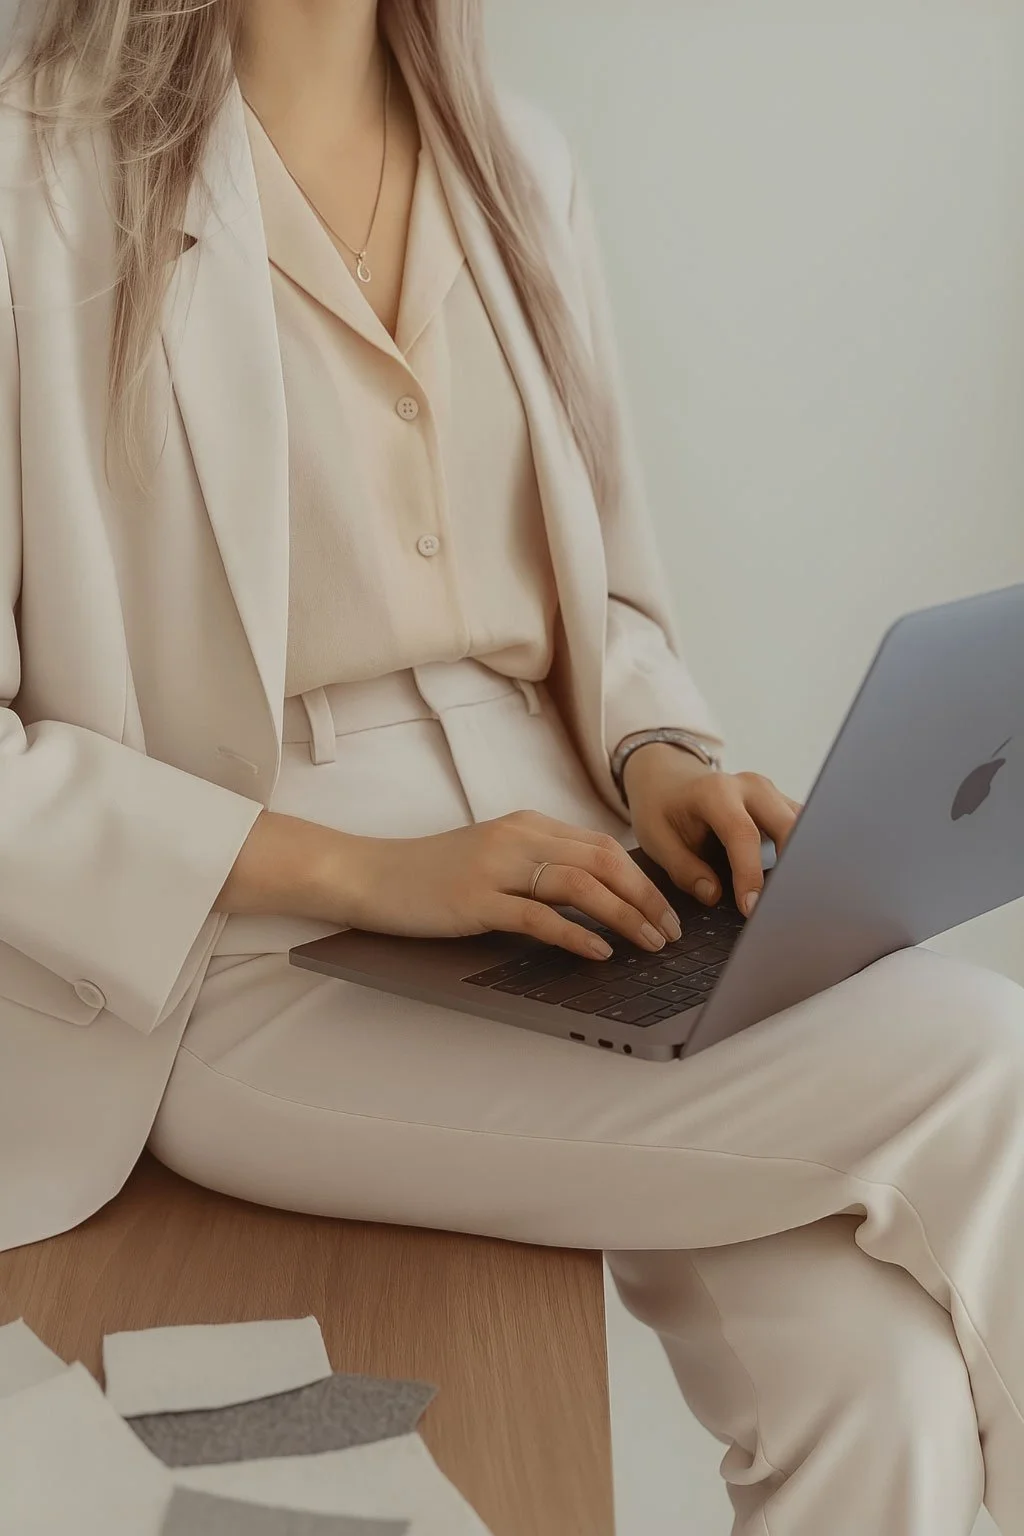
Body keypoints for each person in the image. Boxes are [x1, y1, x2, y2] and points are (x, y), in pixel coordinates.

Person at [0, 2, 1022, 1531]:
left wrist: (659, 755)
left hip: (585, 887)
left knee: (879, 1390)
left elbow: (608, 605)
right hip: (247, 951)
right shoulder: (30, 179)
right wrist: (367, 872)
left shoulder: (517, 164)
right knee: (987, 1059)